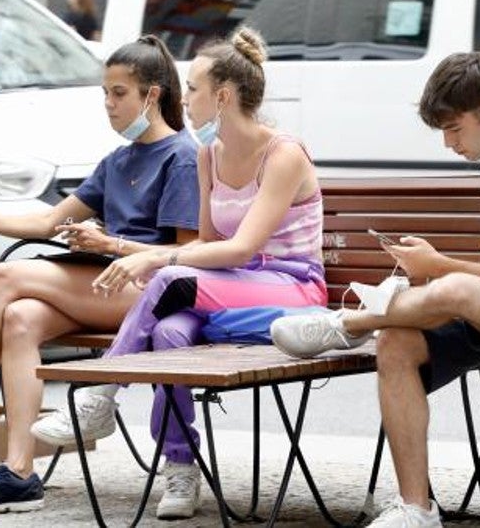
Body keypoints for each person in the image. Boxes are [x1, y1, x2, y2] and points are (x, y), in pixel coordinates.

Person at [270, 52, 480, 527]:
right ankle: (417, 508)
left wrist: (439, 265)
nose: (449, 142)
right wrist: (434, 273)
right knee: (396, 345)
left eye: (455, 129)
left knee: (457, 288)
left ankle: (351, 323)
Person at [0, 35, 199, 516]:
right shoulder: (117, 161)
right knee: (19, 319)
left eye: (119, 93)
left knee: (5, 279)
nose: (109, 105)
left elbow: (185, 253)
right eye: (105, 93)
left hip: (151, 292)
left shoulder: (182, 156)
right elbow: (46, 223)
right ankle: (18, 473)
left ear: (152, 95)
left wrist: (109, 244)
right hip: (103, 284)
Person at [30, 26, 327, 520]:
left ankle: (103, 393)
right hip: (232, 293)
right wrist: (147, 255)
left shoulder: (284, 154)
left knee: (168, 280)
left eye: (192, 89)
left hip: (291, 287)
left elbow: (242, 247)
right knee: (168, 332)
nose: (184, 99)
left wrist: (152, 258)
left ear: (224, 96)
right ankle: (181, 467)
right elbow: (210, 245)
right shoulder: (209, 154)